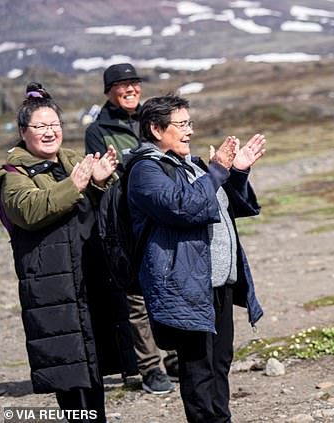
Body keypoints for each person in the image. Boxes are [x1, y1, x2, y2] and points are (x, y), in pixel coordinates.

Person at [0, 83, 136, 422]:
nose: (49, 133)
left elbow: (105, 207)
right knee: (70, 373)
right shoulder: (13, 175)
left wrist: (103, 180)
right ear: (23, 132)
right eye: (40, 127)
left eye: (54, 126)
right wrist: (74, 185)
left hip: (90, 280)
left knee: (94, 369)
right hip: (53, 289)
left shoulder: (74, 161)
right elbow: (30, 211)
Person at [126, 94, 265, 423]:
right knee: (198, 369)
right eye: (181, 124)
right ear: (156, 129)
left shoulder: (193, 166)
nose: (189, 131)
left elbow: (231, 205)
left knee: (220, 362)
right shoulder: (145, 170)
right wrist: (217, 170)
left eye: (190, 123)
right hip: (185, 287)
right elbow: (183, 207)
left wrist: (237, 171)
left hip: (217, 283)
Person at [85, 63, 177, 394]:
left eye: (134, 83)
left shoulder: (151, 119)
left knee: (165, 284)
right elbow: (100, 176)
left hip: (157, 215)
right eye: (122, 85)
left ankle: (175, 353)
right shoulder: (98, 130)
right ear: (109, 91)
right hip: (124, 223)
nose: (130, 89)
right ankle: (150, 366)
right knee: (136, 297)